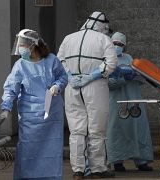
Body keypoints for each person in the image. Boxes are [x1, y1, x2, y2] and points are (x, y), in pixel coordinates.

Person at [0, 29, 68, 180]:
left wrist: (57, 86)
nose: (20, 48)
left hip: (52, 116)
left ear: (33, 45)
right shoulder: (20, 65)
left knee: (51, 151)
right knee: (27, 151)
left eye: (22, 45)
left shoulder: (52, 60)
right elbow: (11, 88)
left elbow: (63, 76)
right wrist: (6, 107)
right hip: (30, 118)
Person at [57, 11, 117, 179]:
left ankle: (78, 170)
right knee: (96, 129)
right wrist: (93, 75)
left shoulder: (69, 38)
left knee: (76, 131)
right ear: (101, 24)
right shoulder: (103, 39)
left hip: (72, 88)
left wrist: (69, 75)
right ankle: (98, 169)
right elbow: (111, 63)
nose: (106, 29)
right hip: (95, 87)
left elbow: (59, 61)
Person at [105, 32, 154, 172]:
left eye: (120, 44)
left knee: (138, 129)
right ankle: (117, 161)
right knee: (116, 131)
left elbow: (141, 78)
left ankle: (142, 161)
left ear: (125, 46)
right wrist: (122, 78)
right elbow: (107, 83)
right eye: (114, 43)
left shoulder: (129, 58)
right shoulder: (106, 60)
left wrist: (138, 75)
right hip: (116, 102)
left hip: (133, 100)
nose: (117, 46)